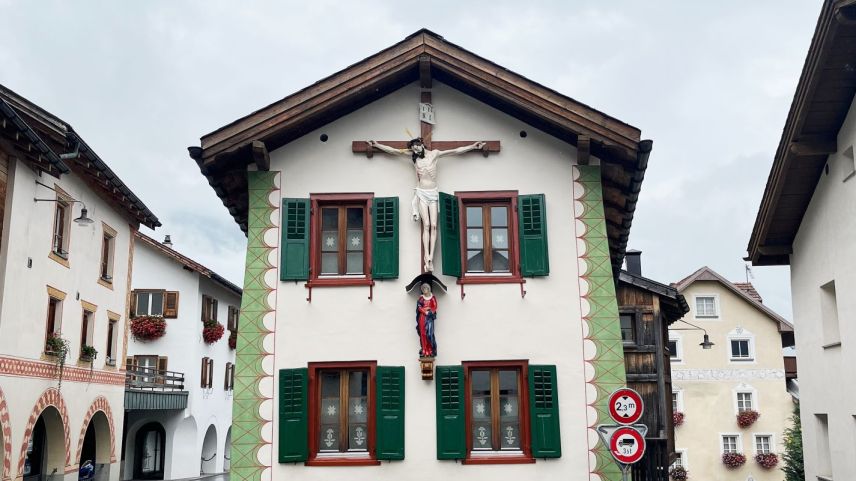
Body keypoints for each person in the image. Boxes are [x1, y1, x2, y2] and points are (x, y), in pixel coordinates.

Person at [368, 137, 485, 272]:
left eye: (416, 147)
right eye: (413, 149)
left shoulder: (434, 154)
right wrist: (377, 145)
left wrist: (473, 146)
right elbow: (395, 152)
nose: (415, 150)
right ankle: (427, 258)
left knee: (434, 225)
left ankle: (431, 257)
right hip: (422, 193)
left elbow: (455, 151)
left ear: (421, 144)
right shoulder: (414, 158)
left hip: (433, 193)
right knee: (427, 225)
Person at [415, 283, 438, 357]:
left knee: (429, 334)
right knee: (423, 334)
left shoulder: (432, 297)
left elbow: (434, 307)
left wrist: (430, 311)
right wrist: (425, 311)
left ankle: (430, 349)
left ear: (428, 289)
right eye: (423, 289)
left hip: (429, 318)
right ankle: (424, 349)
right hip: (422, 317)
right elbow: (419, 307)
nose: (425, 290)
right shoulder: (421, 298)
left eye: (426, 289)